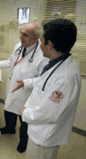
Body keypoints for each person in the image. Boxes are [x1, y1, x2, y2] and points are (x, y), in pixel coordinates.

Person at [13, 19, 81, 159]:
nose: (39, 44)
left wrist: (25, 113)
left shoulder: (66, 76)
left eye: (41, 39)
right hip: (38, 130)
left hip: (44, 136)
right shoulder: (58, 63)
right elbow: (45, 82)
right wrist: (26, 82)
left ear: (49, 44)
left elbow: (49, 112)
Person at [0, 22, 48, 153]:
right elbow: (11, 62)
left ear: (36, 37)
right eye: (21, 34)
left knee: (24, 119)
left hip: (26, 91)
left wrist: (26, 82)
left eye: (25, 35)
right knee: (9, 109)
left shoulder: (42, 54)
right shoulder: (19, 46)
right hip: (13, 85)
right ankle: (9, 128)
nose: (21, 37)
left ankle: (23, 141)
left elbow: (42, 79)